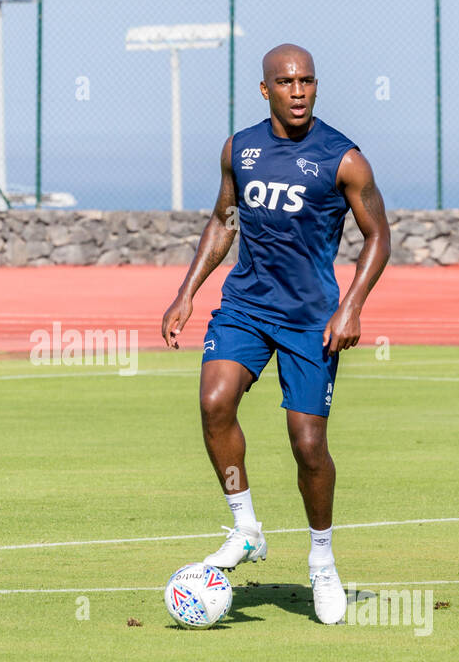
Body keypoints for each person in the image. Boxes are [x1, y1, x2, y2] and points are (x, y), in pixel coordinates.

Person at [160, 43, 390, 625]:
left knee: (308, 446)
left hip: (312, 319)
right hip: (244, 306)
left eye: (307, 81)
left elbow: (378, 236)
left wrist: (352, 307)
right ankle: (245, 529)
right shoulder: (242, 148)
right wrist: (187, 292)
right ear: (266, 90)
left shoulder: (344, 158)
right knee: (215, 402)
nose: (298, 91)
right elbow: (223, 220)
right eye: (286, 82)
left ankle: (322, 563)